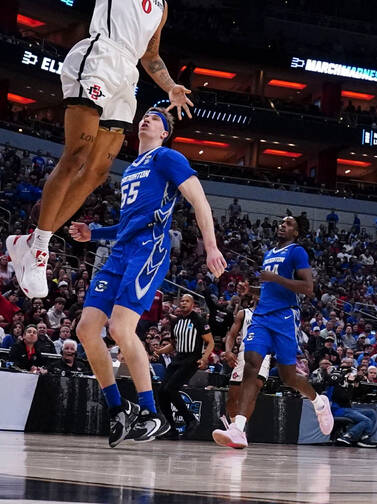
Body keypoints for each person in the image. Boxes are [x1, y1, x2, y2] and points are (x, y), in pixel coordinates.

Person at [6, 0, 194, 300]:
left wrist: (170, 87)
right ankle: (41, 246)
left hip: (128, 74)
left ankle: (30, 242)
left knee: (97, 172)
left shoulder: (161, 4)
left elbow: (151, 55)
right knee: (75, 154)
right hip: (99, 55)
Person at [70, 109, 225, 447]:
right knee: (85, 329)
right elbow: (126, 224)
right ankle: (118, 410)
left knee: (120, 329)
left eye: (156, 119)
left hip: (148, 249)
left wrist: (211, 247)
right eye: (145, 116)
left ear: (165, 133)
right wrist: (93, 232)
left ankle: (151, 412)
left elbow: (200, 201)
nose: (146, 120)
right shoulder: (131, 169)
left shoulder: (167, 157)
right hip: (121, 250)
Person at [210, 216, 333, 448]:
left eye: (287, 224)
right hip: (262, 317)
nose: (281, 226)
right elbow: (270, 288)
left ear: (296, 232)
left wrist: (275, 278)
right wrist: (252, 289)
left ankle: (318, 401)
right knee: (251, 365)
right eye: (281, 223)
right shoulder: (269, 253)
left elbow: (307, 288)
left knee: (288, 377)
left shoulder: (297, 252)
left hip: (285, 316)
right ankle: (239, 429)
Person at [156, 294, 213, 436]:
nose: (183, 303)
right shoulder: (176, 321)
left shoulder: (199, 320)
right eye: (181, 301)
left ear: (193, 304)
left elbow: (210, 342)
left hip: (192, 358)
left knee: (171, 388)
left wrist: (204, 358)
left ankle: (191, 419)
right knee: (162, 391)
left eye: (187, 301)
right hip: (178, 357)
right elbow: (174, 345)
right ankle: (171, 428)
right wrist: (160, 351)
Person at [222, 286, 271, 421]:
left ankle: (240, 430)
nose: (261, 297)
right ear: (254, 296)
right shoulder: (244, 313)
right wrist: (228, 351)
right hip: (243, 354)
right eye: (259, 294)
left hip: (262, 355)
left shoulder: (272, 316)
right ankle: (233, 425)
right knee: (233, 397)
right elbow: (231, 335)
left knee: (251, 393)